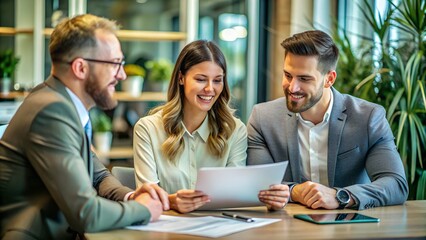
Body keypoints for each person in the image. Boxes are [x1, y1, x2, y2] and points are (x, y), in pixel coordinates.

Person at [0, 14, 169, 240]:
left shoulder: (61, 103)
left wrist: (133, 197)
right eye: (115, 63)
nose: (122, 74)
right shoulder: (51, 112)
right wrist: (144, 210)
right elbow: (85, 213)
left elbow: (98, 176)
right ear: (80, 68)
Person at [247, 30, 408, 211]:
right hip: (287, 228)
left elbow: (396, 184)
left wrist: (341, 196)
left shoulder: (368, 117)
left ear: (329, 79)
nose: (293, 87)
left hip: (350, 229)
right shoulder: (263, 118)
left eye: (304, 78)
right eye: (288, 75)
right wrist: (294, 191)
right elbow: (259, 185)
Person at [133, 40, 247, 213]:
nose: (210, 89)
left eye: (217, 80)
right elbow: (147, 197)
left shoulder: (235, 130)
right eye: (201, 79)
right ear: (181, 78)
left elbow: (234, 194)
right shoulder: (147, 129)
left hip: (219, 228)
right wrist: (171, 202)